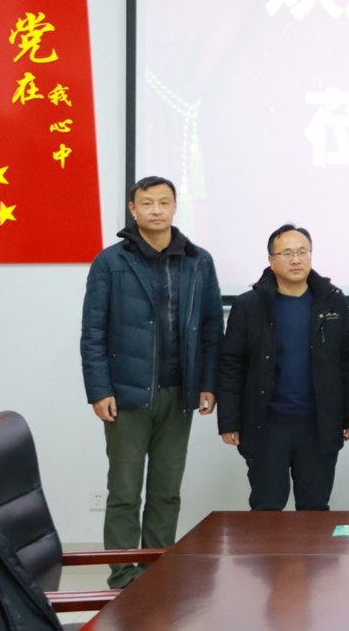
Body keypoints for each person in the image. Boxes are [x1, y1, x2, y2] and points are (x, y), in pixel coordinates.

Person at [80, 175, 223, 589]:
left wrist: (207, 383)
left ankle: (155, 571)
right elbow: (93, 331)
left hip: (180, 393)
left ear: (175, 206)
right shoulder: (111, 261)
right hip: (126, 395)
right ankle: (124, 575)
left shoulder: (198, 261)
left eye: (164, 202)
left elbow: (211, 328)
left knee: (166, 490)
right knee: (125, 491)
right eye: (147, 203)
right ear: (133, 209)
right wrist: (100, 390)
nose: (156, 210)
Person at [216, 224, 349, 510]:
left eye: (303, 252)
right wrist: (229, 420)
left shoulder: (332, 301)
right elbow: (231, 364)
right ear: (271, 260)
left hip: (318, 425)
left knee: (314, 508)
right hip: (267, 425)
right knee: (267, 507)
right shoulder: (249, 305)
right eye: (287, 253)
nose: (296, 260)